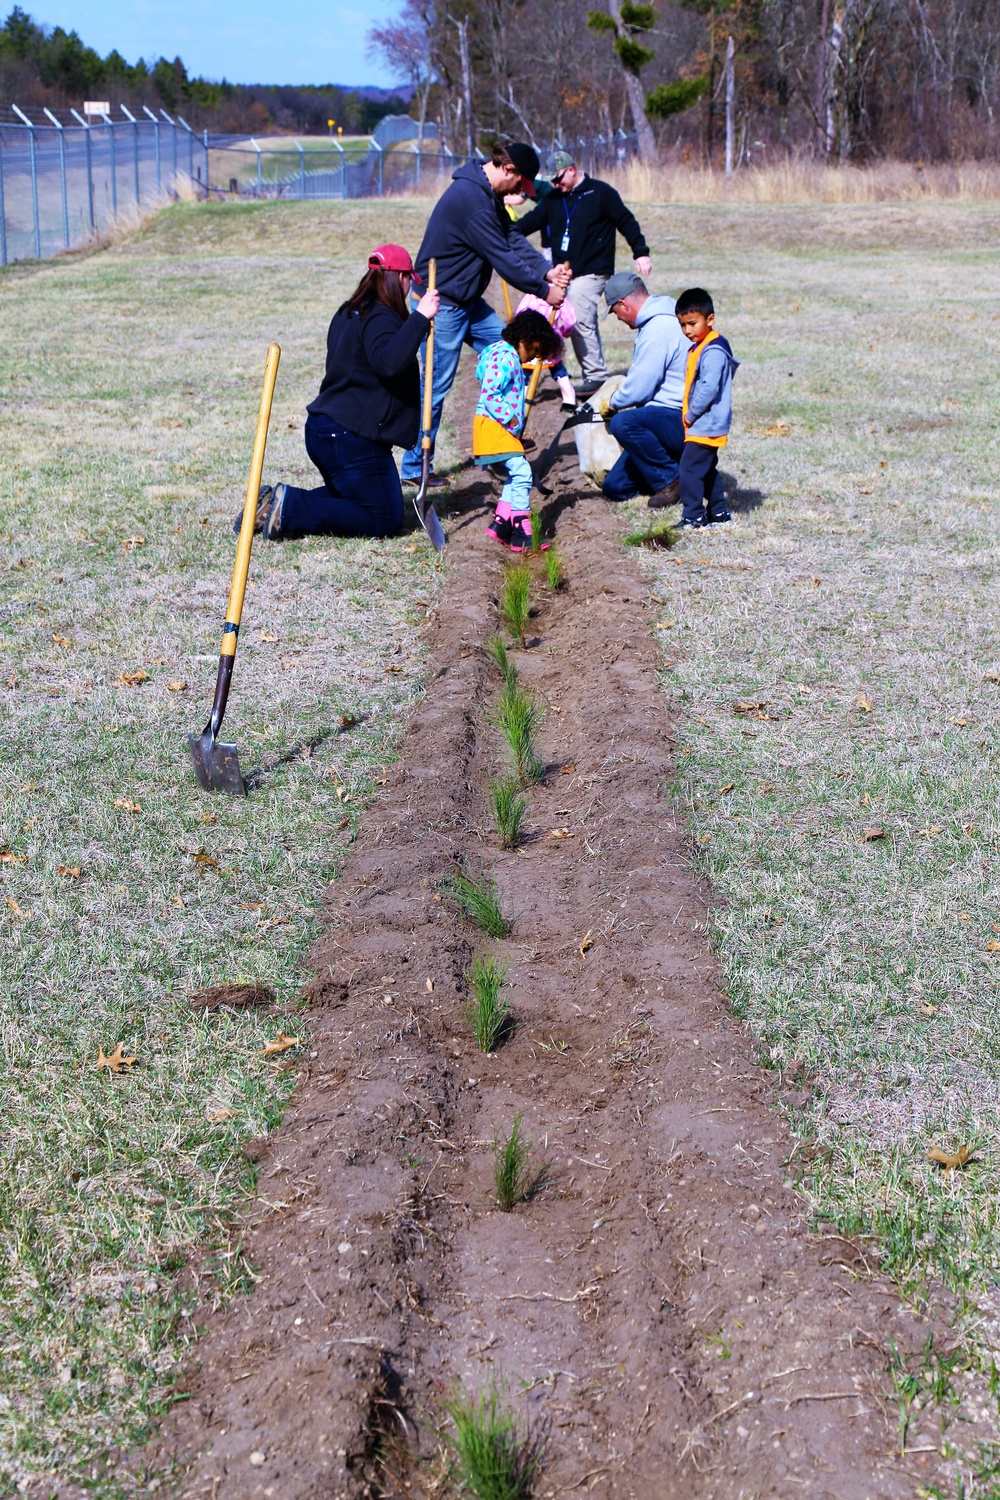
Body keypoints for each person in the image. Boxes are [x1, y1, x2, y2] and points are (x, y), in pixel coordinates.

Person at [400, 142, 571, 490]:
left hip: (467, 300)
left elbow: (510, 235)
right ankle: (414, 465)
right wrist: (544, 290)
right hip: (441, 302)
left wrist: (546, 270)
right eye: (520, 186)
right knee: (435, 386)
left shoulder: (488, 193)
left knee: (510, 353)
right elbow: (502, 258)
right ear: (508, 170)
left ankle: (501, 445)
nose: (518, 194)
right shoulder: (472, 201)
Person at [243, 245, 439, 542]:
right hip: (350, 440)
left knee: (358, 498)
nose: (409, 287)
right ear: (398, 277)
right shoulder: (381, 317)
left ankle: (273, 504)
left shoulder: (348, 312)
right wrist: (420, 318)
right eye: (407, 279)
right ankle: (290, 508)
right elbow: (388, 362)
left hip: (326, 431)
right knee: (384, 517)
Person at [512, 150, 652, 392]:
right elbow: (529, 223)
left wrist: (640, 251)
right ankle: (554, 370)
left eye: (558, 179)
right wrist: (502, 233)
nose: (555, 184)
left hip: (594, 270)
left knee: (577, 312)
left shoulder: (601, 193)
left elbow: (626, 221)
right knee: (547, 313)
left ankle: (596, 376)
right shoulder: (554, 199)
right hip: (563, 273)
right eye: (552, 181)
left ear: (572, 170)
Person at [597, 271, 689, 508]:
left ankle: (673, 479)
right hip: (661, 420)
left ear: (623, 304)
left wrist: (612, 402)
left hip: (679, 418)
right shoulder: (660, 321)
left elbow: (640, 388)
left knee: (623, 423)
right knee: (615, 487)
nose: (617, 318)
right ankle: (681, 467)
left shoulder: (658, 329)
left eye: (614, 311)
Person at [473, 309, 562, 551]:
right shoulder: (505, 357)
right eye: (533, 350)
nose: (532, 357)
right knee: (523, 472)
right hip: (493, 427)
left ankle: (501, 524)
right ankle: (522, 530)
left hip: (497, 428)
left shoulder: (505, 354)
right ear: (524, 339)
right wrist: (512, 419)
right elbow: (490, 394)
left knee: (516, 473)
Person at [675, 287, 740, 529]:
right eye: (683, 325)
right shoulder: (700, 346)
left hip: (706, 422)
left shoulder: (713, 350)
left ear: (710, 319)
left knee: (689, 469)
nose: (687, 330)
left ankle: (694, 516)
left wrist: (690, 415)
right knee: (706, 469)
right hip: (702, 422)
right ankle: (719, 514)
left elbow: (709, 388)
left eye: (692, 323)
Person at [514, 291, 578, 410]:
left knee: (525, 372)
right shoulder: (558, 295)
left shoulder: (531, 296)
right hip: (550, 339)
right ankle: (569, 400)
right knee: (558, 369)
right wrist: (564, 331)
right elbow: (570, 320)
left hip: (532, 342)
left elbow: (520, 316)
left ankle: (521, 400)